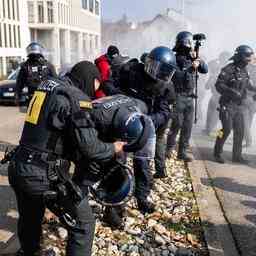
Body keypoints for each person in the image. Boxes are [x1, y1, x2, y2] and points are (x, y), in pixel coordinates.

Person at [8, 61, 126, 256]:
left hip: (19, 166)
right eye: (95, 87)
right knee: (84, 223)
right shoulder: (76, 98)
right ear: (90, 80)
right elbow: (90, 148)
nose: (94, 92)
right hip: (42, 174)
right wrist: (113, 147)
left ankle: (29, 252)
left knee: (30, 217)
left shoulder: (48, 85)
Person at [102, 46, 177, 211]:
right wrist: (120, 99)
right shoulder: (131, 70)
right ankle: (113, 206)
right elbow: (107, 84)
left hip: (144, 126)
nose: (161, 74)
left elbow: (165, 112)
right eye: (159, 69)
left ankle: (142, 198)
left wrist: (149, 121)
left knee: (142, 164)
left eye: (165, 72)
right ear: (149, 63)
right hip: (122, 123)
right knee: (117, 163)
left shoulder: (166, 86)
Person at [75, 94, 156, 229]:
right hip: (93, 126)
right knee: (89, 166)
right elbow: (84, 143)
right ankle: (76, 206)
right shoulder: (95, 116)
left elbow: (124, 146)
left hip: (112, 122)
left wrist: (120, 149)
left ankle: (112, 208)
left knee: (118, 163)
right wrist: (92, 157)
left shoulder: (140, 107)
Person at [166, 31, 208, 161]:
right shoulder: (174, 59)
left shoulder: (193, 58)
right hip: (178, 96)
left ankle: (182, 152)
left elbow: (205, 69)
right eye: (185, 46)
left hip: (190, 97)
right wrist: (191, 67)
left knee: (188, 126)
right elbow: (176, 76)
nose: (187, 49)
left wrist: (198, 61)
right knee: (176, 124)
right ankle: (168, 149)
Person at [214, 45, 256, 164]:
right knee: (225, 129)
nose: (249, 59)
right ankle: (217, 152)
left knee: (240, 131)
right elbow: (218, 85)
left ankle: (237, 156)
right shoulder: (228, 69)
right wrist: (231, 92)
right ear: (241, 56)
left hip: (239, 106)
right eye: (247, 56)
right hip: (227, 105)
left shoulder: (245, 70)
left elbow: (248, 85)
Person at [203, 51, 231, 135]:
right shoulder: (218, 68)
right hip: (215, 94)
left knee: (215, 113)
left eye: (224, 58)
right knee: (211, 112)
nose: (222, 59)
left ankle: (209, 129)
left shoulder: (228, 69)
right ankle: (208, 129)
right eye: (222, 57)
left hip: (221, 96)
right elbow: (207, 85)